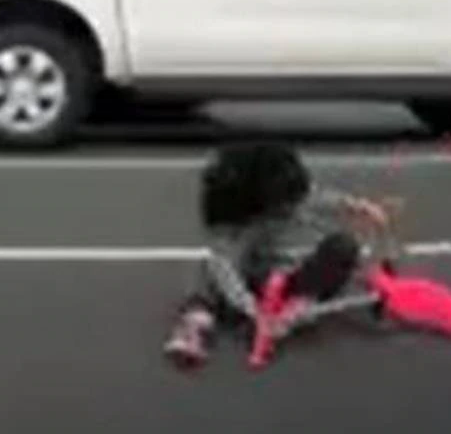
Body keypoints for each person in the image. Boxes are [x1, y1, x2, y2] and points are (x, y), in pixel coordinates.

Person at [164, 141, 392, 366]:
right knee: (208, 273)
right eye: (284, 204)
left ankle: (299, 302)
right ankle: (195, 325)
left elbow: (316, 197)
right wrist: (253, 311)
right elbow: (225, 267)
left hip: (289, 275)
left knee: (343, 247)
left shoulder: (289, 187)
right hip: (252, 275)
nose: (290, 209)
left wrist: (357, 206)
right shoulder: (232, 225)